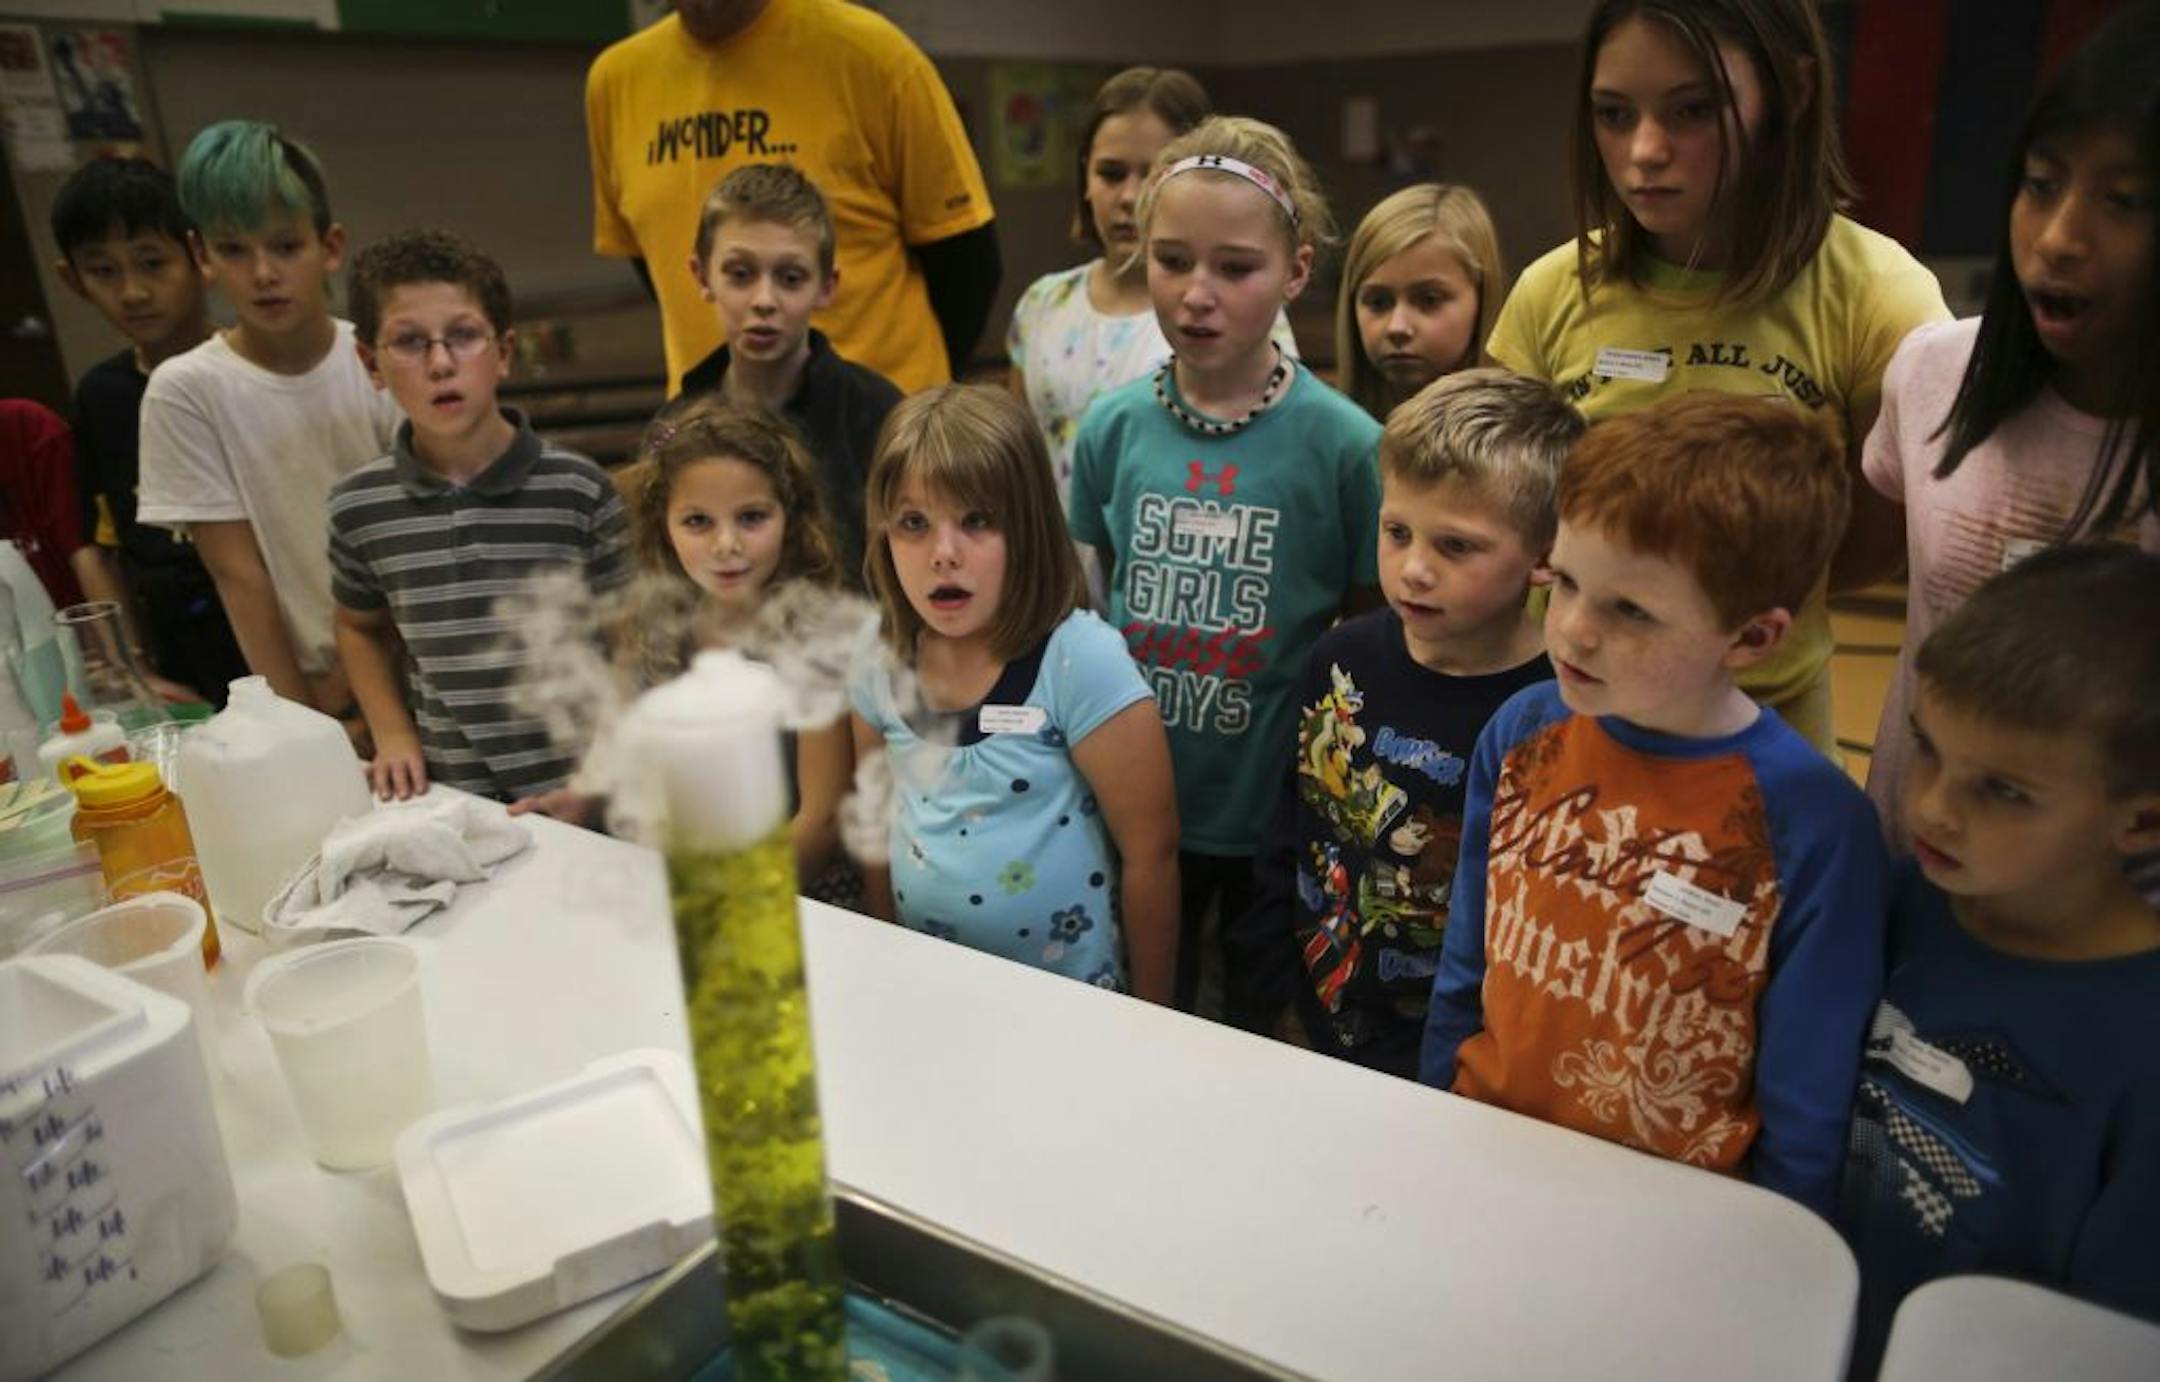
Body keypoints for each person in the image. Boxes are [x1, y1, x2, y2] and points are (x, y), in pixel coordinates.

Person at [1420, 393, 1886, 1218]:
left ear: (1751, 639)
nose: (1571, 631)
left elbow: (1807, 1096)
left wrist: (1777, 1251)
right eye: (1563, 581)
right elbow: (1466, 964)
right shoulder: (1521, 730)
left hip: (1677, 1216)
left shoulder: (1813, 823)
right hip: (1481, 1154)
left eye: (1629, 610)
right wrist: (1429, 1113)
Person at [1485, 0, 1950, 753]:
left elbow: (1871, 544)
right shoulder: (1549, 293)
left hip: (1766, 730)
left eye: (1693, 110)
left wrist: (1702, 623)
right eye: (1612, 113)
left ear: (1789, 93)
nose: (1644, 151)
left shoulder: (1878, 295)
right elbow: (1501, 518)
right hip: (1568, 723)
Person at [1068, 115, 1382, 1025]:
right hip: (1133, 798)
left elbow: (1361, 627)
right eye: (1171, 262)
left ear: (1297, 271)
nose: (1197, 295)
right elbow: (1110, 578)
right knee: (1139, 1008)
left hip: (1268, 812)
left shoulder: (1346, 446)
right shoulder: (1113, 429)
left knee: (1251, 1026)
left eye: (1236, 269)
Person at [1838, 545, 2160, 1376]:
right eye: (1928, 749)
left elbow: (2113, 1329)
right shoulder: (1895, 903)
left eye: (2004, 790)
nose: (1933, 807)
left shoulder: (2141, 1039)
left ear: (2145, 822)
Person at [1861, 4, 2160, 852]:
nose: (2059, 239)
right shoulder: (1931, 374)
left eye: (2126, 200)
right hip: (1906, 879)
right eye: (2041, 184)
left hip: (2105, 932)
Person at [1245, 370, 1580, 1076]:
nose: (1414, 569)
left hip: (1460, 1064)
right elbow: (1290, 832)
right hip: (1311, 1030)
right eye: (1397, 532)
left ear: (1547, 555)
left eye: (1456, 546)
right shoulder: (1341, 659)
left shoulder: (1559, 712)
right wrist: (1276, 1001)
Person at [851, 385, 1178, 1001]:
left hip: (1068, 1000)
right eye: (914, 524)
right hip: (929, 993)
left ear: (1025, 527)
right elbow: (874, 824)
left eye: (976, 520)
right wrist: (883, 958)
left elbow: (1152, 856)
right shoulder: (876, 660)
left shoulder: (1080, 659)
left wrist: (1156, 1019)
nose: (943, 555)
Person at [329, 229, 630, 804]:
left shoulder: (579, 490)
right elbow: (358, 627)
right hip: (456, 800)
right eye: (410, 342)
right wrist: (393, 735)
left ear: (505, 352)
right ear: (370, 362)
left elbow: (633, 648)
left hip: (591, 798)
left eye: (463, 336)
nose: (441, 363)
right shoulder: (358, 508)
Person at [137, 121, 401, 746]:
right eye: (235, 250)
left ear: (329, 245)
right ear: (202, 255)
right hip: (304, 687)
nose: (263, 273)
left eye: (285, 246)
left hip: (420, 662)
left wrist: (365, 675)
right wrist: (308, 726)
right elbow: (239, 575)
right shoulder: (185, 391)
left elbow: (411, 536)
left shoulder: (383, 356)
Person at [585, 0, 999, 395]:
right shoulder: (614, 80)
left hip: (879, 433)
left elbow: (967, 263)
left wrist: (907, 408)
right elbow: (655, 264)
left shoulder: (873, 56)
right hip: (714, 436)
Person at [1007, 67, 1297, 505]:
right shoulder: (1043, 302)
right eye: (1110, 173)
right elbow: (1017, 457)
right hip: (1054, 561)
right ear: (1085, 177)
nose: (1129, 196)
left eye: (1152, 174)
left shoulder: (1233, 314)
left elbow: (1275, 455)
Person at [614, 394, 859, 896]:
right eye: (698, 521)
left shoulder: (815, 641)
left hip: (799, 897)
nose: (726, 545)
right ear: (664, 525)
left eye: (751, 517)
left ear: (790, 516)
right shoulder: (653, 632)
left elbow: (820, 820)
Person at [50, 155, 244, 705]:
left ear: (198, 255)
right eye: (104, 271)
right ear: (72, 279)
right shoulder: (101, 396)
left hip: (275, 634)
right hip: (180, 655)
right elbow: (96, 546)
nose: (132, 291)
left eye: (152, 262)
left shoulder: (246, 372)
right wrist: (131, 667)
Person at [676, 163, 901, 579]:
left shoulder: (880, 416)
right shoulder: (678, 425)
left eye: (790, 278)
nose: (764, 300)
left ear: (826, 286)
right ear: (702, 275)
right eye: (740, 274)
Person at [1336, 183, 1506, 422]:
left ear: (1481, 296)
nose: (1397, 327)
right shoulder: (1329, 435)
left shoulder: (1527, 442)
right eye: (1378, 302)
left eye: (1429, 300)